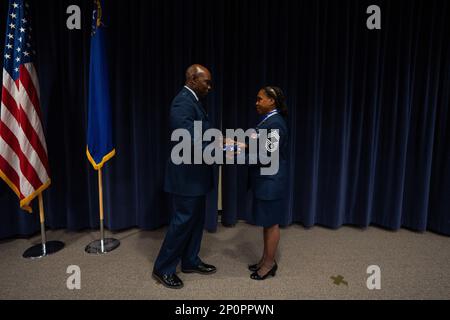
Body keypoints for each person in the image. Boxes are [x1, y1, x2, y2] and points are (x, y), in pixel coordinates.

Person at [152, 64, 217, 289]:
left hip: (196, 175)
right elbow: (187, 138)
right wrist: (219, 146)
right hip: (186, 177)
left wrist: (220, 142)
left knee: (196, 221)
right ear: (192, 80)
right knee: (182, 222)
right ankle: (163, 268)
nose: (210, 86)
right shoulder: (182, 102)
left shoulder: (194, 101)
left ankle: (190, 260)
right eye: (206, 82)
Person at [247, 86, 289, 280]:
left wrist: (237, 155)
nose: (256, 102)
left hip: (271, 180)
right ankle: (265, 259)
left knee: (271, 223)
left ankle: (269, 264)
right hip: (265, 179)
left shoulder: (276, 123)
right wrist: (240, 144)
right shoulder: (268, 120)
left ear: (271, 100)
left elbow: (267, 155)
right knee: (267, 222)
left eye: (259, 99)